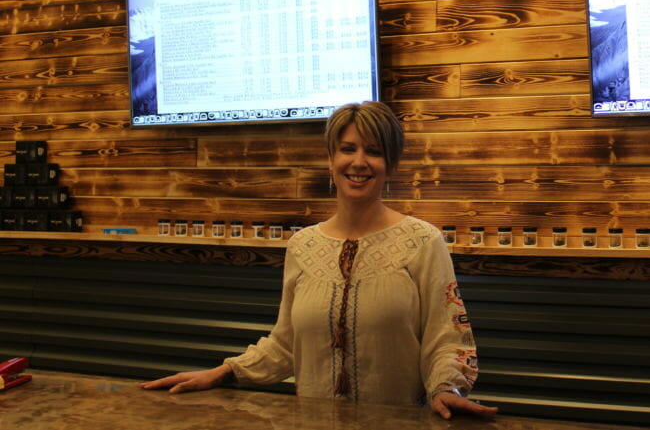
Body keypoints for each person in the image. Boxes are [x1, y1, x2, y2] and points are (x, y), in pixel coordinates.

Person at [141, 101, 498, 420]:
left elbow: (447, 337)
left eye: (373, 151)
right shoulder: (303, 246)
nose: (359, 162)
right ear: (331, 160)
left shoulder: (423, 242)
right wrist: (224, 371)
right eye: (347, 149)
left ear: (390, 165)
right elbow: (286, 343)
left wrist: (446, 389)